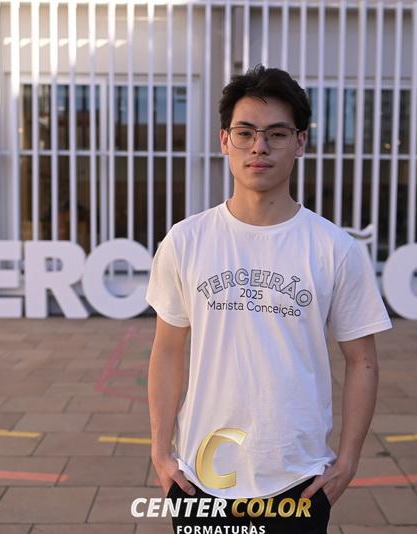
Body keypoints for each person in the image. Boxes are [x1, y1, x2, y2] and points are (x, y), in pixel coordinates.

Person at [146, 65, 392, 533]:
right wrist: (161, 452)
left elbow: (362, 360)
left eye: (277, 134)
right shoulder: (185, 241)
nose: (259, 147)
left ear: (300, 142)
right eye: (245, 133)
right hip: (200, 478)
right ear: (225, 140)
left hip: (298, 480)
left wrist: (348, 461)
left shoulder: (334, 247)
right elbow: (168, 350)